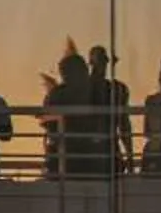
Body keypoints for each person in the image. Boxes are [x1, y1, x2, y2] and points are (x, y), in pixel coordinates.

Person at [40, 43, 114, 180]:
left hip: (82, 156)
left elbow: (47, 123)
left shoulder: (59, 94)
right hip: (85, 156)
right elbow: (47, 122)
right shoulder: (59, 93)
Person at [89, 45, 136, 175]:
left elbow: (124, 125)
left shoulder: (116, 89)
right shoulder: (85, 89)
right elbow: (124, 124)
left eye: (103, 61)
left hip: (109, 151)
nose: (101, 66)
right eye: (98, 61)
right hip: (92, 152)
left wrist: (130, 156)